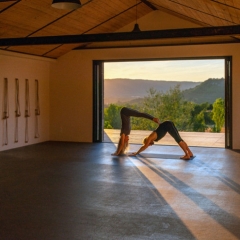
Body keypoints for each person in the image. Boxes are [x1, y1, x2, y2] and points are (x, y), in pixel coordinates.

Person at [128, 120, 193, 160]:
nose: (149, 145)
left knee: (178, 140)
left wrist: (136, 153)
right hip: (168, 124)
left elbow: (144, 146)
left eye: (148, 144)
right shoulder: (152, 138)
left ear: (147, 141)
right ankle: (189, 153)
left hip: (168, 125)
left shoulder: (149, 138)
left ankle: (187, 155)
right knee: (179, 139)